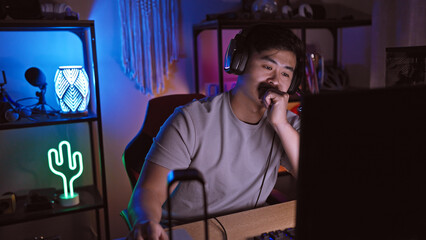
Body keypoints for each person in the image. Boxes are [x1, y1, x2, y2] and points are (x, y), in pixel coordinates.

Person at [126, 23, 305, 240]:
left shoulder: (286, 125)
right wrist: (147, 221)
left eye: (286, 74)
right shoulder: (191, 120)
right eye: (268, 67)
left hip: (247, 228)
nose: (276, 81)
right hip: (188, 230)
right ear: (240, 62)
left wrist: (281, 125)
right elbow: (149, 191)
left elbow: (316, 179)